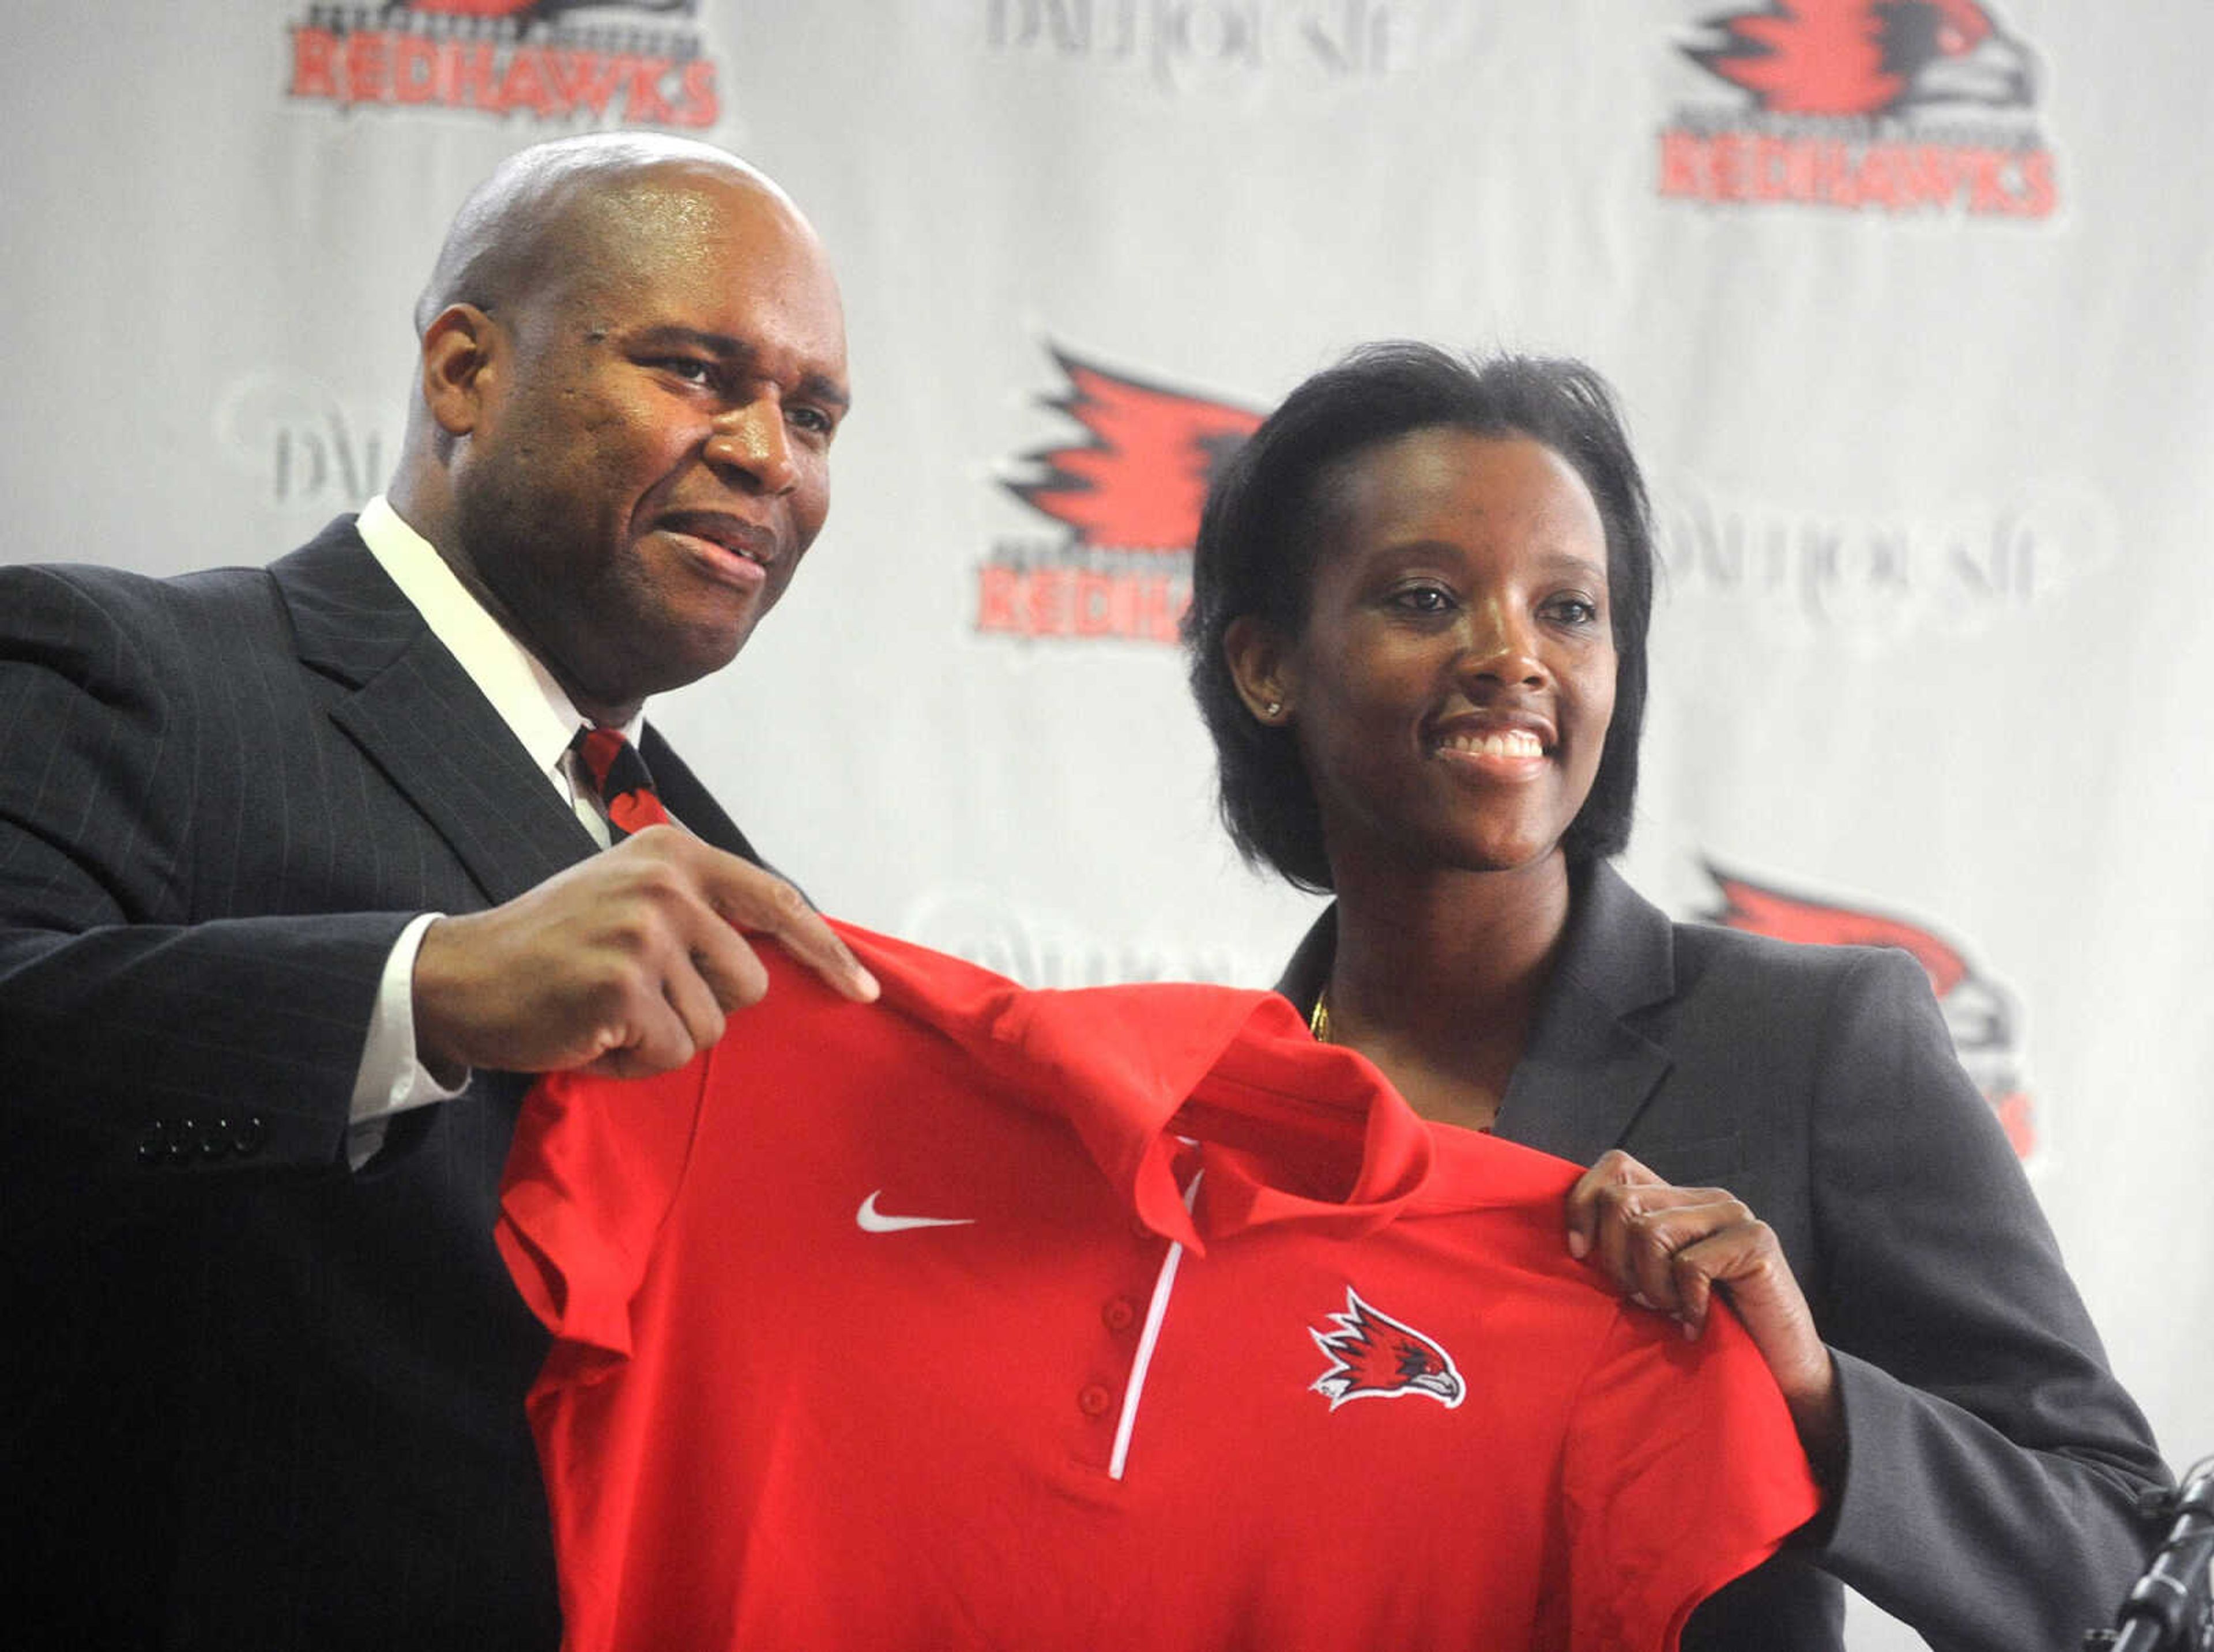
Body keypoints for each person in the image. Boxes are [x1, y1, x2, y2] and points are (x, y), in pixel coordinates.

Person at [0, 133, 876, 1651]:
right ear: (465, 370)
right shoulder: (133, 674)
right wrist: (422, 989)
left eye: (813, 414)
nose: (768, 456)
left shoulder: (737, 887)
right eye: (694, 370)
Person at [1183, 341, 2170, 1651]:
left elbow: (2121, 1560)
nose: (1510, 654)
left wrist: (1813, 1400)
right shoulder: (1197, 1124)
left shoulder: (1816, 1044)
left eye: (1569, 609)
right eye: (1425, 597)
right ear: (1268, 666)